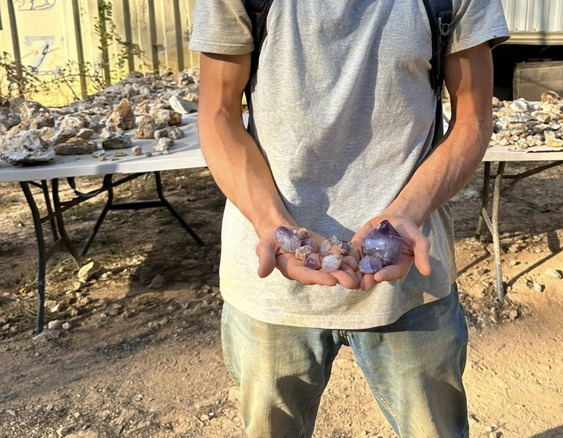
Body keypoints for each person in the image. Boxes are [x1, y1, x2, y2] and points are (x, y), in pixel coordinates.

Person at [190, 0, 508, 436]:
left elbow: (472, 119)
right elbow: (218, 112)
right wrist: (272, 224)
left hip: (408, 286)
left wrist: (406, 212)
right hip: (271, 291)